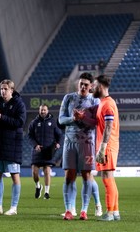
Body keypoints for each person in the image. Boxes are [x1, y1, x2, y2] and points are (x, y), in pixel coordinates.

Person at [59, 72, 102, 220]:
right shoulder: (69, 98)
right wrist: (73, 118)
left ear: (91, 87)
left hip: (87, 143)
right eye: (81, 84)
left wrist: (83, 118)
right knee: (69, 176)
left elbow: (96, 123)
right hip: (69, 142)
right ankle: (69, 210)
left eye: (86, 85)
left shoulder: (95, 101)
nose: (83, 87)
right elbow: (60, 120)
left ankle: (84, 210)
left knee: (87, 176)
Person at [0, 79, 26, 216]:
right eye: (1, 88)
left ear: (12, 91)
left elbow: (20, 122)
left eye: (6, 89)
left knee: (15, 175)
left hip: (13, 144)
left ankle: (14, 207)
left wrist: (2, 118)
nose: (3, 91)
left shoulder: (18, 103)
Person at [92, 75, 120, 221]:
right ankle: (115, 211)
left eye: (94, 85)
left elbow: (108, 126)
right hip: (110, 145)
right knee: (110, 179)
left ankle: (109, 213)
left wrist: (102, 148)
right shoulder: (105, 102)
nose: (92, 88)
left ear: (100, 87)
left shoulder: (107, 104)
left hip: (107, 146)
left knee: (107, 178)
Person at [28, 104, 62, 200]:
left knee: (47, 171)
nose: (43, 111)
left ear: (47, 111)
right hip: (37, 150)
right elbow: (30, 136)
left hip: (48, 151)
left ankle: (47, 192)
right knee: (34, 172)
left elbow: (59, 134)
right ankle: (38, 186)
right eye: (41, 110)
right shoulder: (34, 122)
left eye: (44, 110)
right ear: (39, 111)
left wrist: (58, 143)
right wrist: (35, 145)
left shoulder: (53, 122)